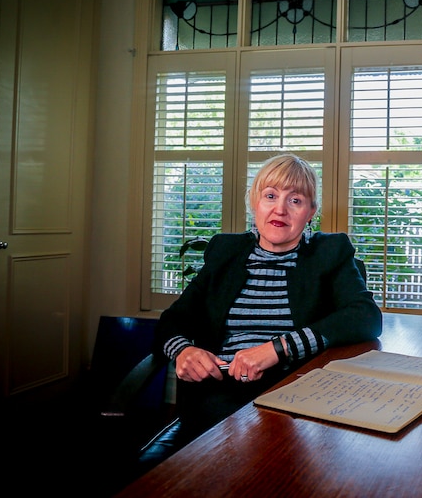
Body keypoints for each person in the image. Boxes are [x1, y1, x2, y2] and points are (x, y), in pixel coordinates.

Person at [140, 153, 382, 470]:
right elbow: (173, 320)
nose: (279, 209)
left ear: (311, 212)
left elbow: (366, 316)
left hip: (298, 392)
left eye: (295, 200)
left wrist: (277, 349)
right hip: (223, 394)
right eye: (270, 196)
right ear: (255, 203)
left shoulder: (329, 251)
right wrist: (183, 351)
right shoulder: (225, 251)